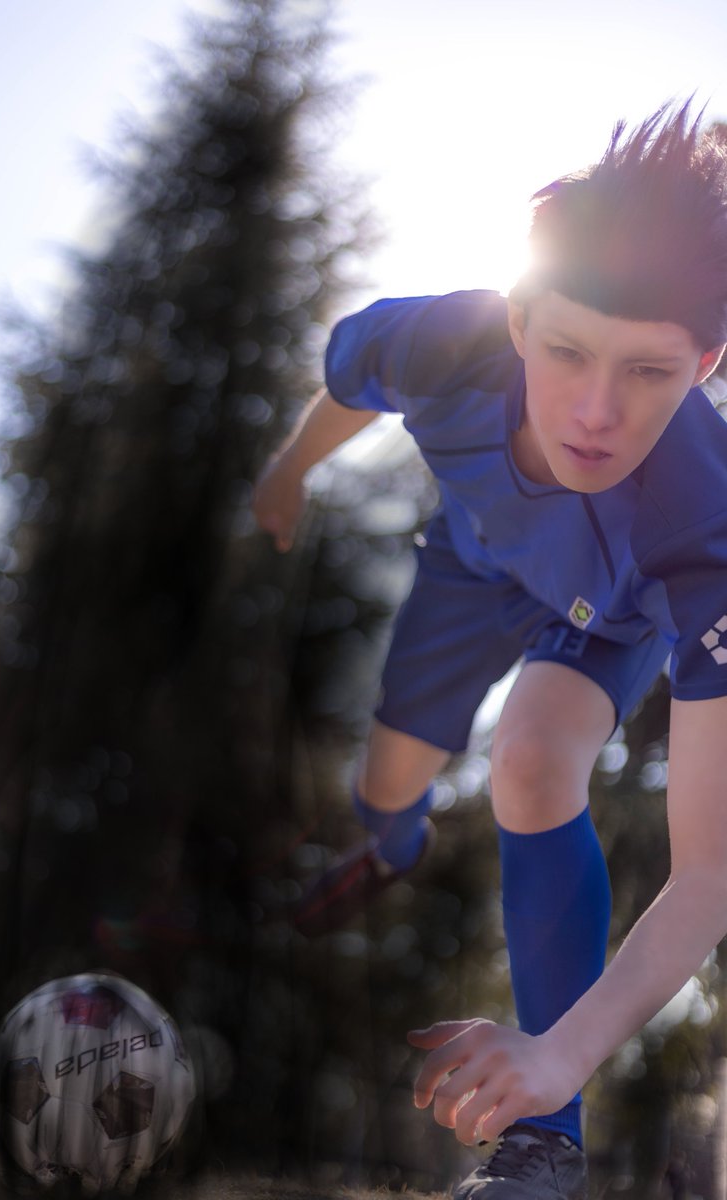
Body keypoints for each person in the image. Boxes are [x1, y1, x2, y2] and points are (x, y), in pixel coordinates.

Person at [252, 102, 727, 1199]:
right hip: (471, 569)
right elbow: (346, 388)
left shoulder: (702, 535)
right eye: (566, 353)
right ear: (517, 319)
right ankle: (392, 844)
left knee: (530, 759)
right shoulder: (436, 342)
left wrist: (558, 1055)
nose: (594, 413)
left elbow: (708, 873)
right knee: (385, 785)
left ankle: (542, 1146)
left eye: (647, 374)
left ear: (705, 362)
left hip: (602, 620)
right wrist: (287, 471)